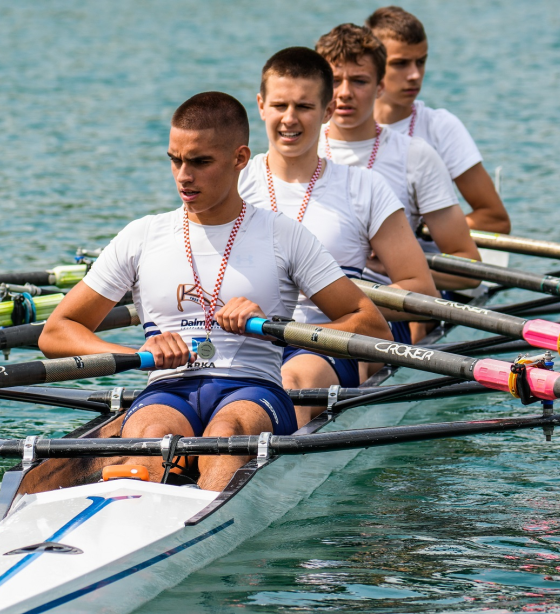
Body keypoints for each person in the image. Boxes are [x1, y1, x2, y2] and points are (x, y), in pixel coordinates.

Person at [39, 92, 391, 490]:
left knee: (226, 435)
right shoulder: (142, 236)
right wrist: (136, 355)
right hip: (168, 388)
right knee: (152, 436)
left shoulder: (283, 235)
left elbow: (372, 326)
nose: (183, 176)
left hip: (253, 388)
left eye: (200, 162)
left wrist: (274, 328)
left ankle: (207, 510)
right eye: (175, 160)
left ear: (240, 158)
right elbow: (56, 332)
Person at [238, 47, 437, 425]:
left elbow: (421, 293)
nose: (289, 119)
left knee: (288, 384)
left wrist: (335, 299)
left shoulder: (364, 187)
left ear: (327, 110)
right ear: (261, 106)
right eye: (280, 105)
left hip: (323, 343)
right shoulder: (234, 183)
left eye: (304, 107)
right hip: (245, 336)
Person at [316, 23, 481, 342]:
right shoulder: (298, 151)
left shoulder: (415, 156)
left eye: (359, 81)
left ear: (380, 86)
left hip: (383, 310)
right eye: (335, 81)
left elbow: (468, 267)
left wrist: (399, 266)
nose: (345, 93)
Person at [366, 5, 510, 234]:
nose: (415, 75)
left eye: (421, 62)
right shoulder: (332, 130)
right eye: (401, 63)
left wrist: (425, 229)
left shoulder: (441, 127)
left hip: (426, 255)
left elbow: (495, 220)